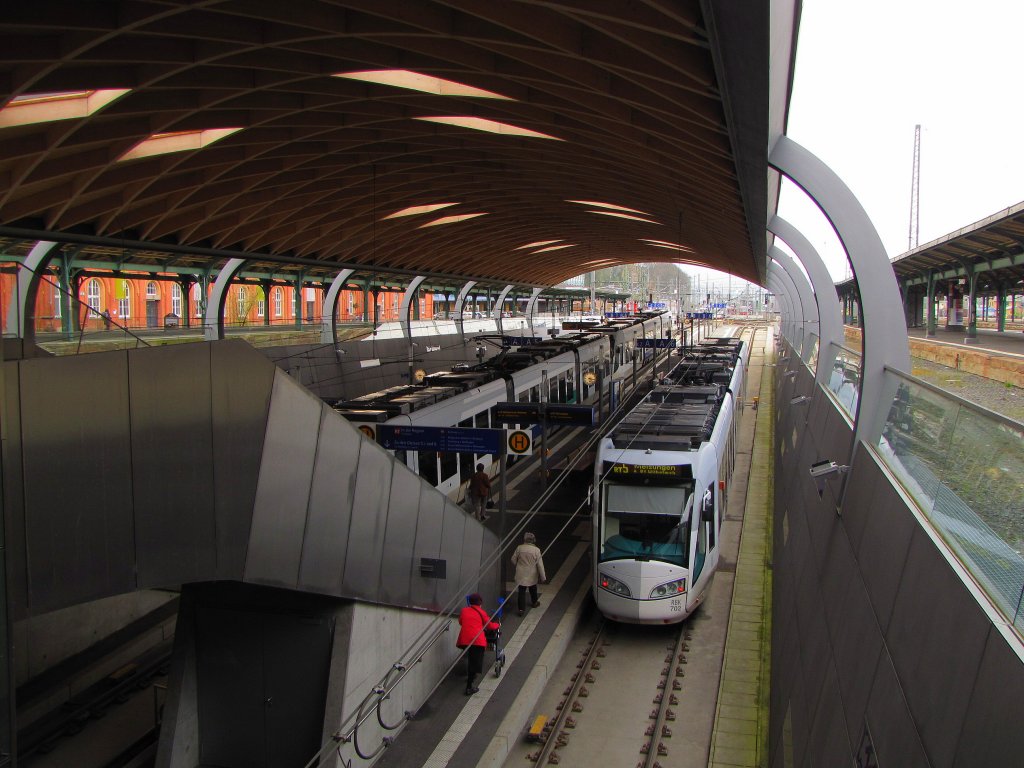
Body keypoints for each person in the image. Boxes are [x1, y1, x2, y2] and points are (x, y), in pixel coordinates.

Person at [456, 593, 498, 695]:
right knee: (475, 663)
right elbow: (490, 626)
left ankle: (471, 676)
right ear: (480, 603)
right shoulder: (482, 612)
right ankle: (469, 687)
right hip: (477, 641)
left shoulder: (464, 610)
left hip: (464, 641)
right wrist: (497, 624)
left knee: (471, 658)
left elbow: (461, 622)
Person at [511, 532, 546, 616]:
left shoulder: (519, 548)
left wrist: (518, 565)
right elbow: (540, 565)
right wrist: (543, 577)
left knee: (521, 591)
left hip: (521, 572)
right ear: (533, 540)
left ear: (524, 539)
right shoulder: (536, 550)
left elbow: (513, 559)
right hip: (532, 573)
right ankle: (534, 602)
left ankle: (521, 609)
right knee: (533, 588)